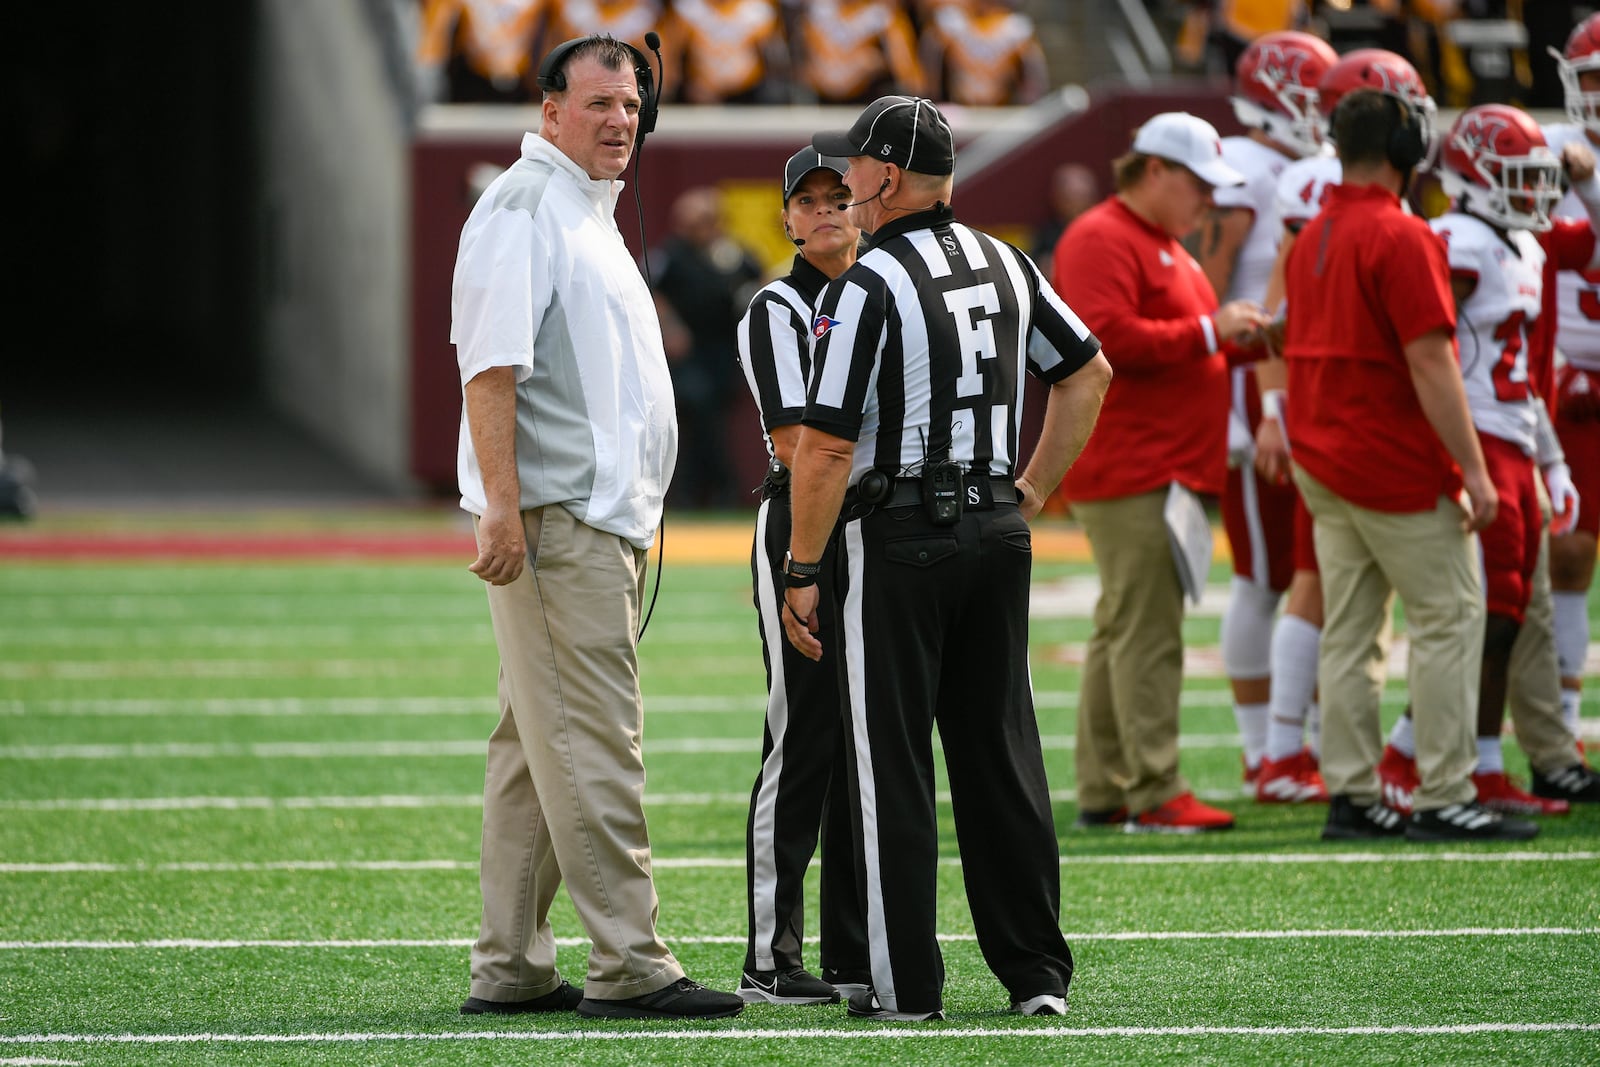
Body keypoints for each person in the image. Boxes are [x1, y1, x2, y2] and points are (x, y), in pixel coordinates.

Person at [781, 95, 1111, 1020]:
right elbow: (1088, 372)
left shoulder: (866, 283)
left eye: (853, 170)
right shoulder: (1008, 260)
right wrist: (1033, 489)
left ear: (886, 178)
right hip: (997, 530)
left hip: (901, 540)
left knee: (892, 765)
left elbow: (829, 445)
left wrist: (803, 569)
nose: (844, 185)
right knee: (1001, 753)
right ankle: (1036, 974)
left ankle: (902, 986)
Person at [449, 35, 743, 1020]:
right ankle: (629, 960)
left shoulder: (580, 211)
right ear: (549, 113)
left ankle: (511, 962)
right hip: (557, 519)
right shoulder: (529, 207)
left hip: (588, 518)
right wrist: (502, 502)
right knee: (592, 736)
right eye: (598, 103)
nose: (620, 119)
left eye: (631, 104)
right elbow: (491, 364)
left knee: (536, 747)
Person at [1280, 85, 1535, 842]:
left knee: (1352, 628)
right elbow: (1431, 363)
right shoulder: (1404, 236)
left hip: (1322, 457)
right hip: (1389, 459)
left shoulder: (1315, 232)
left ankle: (1353, 792)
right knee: (1451, 617)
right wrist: (1475, 470)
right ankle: (1446, 790)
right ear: (1406, 150)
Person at [1052, 112, 1268, 833]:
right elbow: (1103, 340)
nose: (1207, 201)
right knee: (1147, 631)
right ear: (1155, 171)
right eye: (1198, 184)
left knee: (1124, 626)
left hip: (1157, 465)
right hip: (1135, 465)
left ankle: (1107, 782)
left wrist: (1236, 337)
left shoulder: (1154, 241)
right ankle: (1154, 786)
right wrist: (1215, 330)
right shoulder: (1104, 236)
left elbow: (1185, 349)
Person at [1255, 48, 1439, 809]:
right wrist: (1273, 407)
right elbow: (1277, 310)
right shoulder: (1320, 191)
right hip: (1354, 420)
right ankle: (1299, 750)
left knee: (1344, 602)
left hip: (1333, 416)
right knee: (1345, 595)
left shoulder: (1336, 192)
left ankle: (1320, 757)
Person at [1425, 104, 1596, 816]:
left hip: (1518, 434)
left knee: (1514, 608)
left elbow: (1526, 365)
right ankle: (1452, 757)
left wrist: (1552, 458)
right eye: (1521, 178)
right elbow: (1422, 344)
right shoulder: (1455, 239)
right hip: (1479, 435)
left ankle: (1489, 758)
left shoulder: (1521, 246)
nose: (1535, 192)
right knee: (1487, 611)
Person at [734, 147, 870, 1005]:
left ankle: (858, 950)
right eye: (807, 201)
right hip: (802, 518)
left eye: (838, 197)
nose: (824, 212)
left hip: (882, 521)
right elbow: (797, 443)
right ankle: (770, 954)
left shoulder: (885, 290)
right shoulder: (777, 307)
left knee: (871, 737)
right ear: (785, 217)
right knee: (804, 731)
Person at [1196, 29, 1337, 803]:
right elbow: (1207, 283)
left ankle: (1303, 743)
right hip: (1258, 386)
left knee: (1311, 574)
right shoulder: (1246, 167)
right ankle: (1262, 753)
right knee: (1263, 576)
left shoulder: (1296, 167)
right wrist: (1234, 409)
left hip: (1301, 386)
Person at [1542, 14, 1600, 771]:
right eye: (1590, 76)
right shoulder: (1541, 149)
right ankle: (1561, 722)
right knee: (1569, 551)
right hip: (1568, 376)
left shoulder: (1574, 165)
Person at [651, 186, 764, 509]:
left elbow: (760, 282)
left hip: (724, 350)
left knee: (713, 418)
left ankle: (713, 492)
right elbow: (651, 292)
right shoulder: (671, 255)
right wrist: (671, 327)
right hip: (687, 353)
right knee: (698, 412)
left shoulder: (732, 254)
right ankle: (704, 492)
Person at [789, 0, 925, 104]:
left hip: (868, 98)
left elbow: (909, 73)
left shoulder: (882, 13)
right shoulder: (818, 10)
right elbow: (816, 64)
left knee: (871, 57)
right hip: (821, 92)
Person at [918, 0, 1048, 107]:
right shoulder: (950, 24)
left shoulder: (1017, 29)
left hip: (1000, 106)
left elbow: (1034, 78)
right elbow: (930, 72)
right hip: (959, 106)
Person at [1029, 163, 1100, 269]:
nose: (1077, 205)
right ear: (1057, 199)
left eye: (1083, 197)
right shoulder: (1047, 237)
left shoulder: (1106, 233)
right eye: (1070, 199)